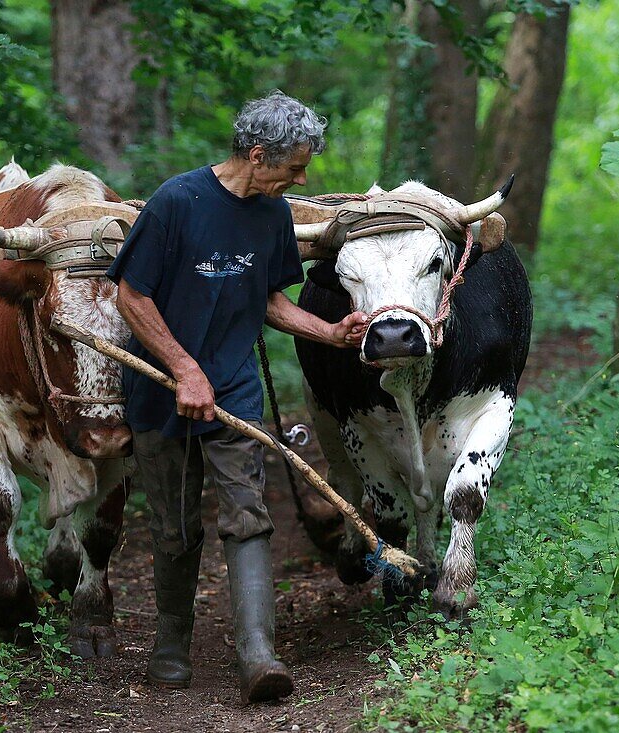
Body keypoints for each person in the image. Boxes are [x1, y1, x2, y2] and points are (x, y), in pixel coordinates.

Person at [106, 91, 366, 703]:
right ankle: (172, 645)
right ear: (257, 154)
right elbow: (132, 297)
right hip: (159, 394)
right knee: (173, 528)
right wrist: (184, 369)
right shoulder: (177, 203)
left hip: (236, 393)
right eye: (294, 167)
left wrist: (329, 333)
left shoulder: (273, 215)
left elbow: (272, 301)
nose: (302, 179)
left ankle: (258, 652)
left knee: (248, 515)